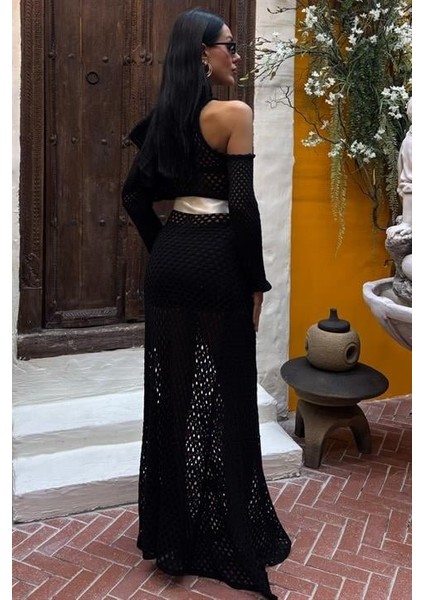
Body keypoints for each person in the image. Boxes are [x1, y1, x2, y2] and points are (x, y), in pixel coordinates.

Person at [122, 8, 291, 600]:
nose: (237, 57)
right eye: (229, 46)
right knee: (227, 395)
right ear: (202, 53)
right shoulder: (233, 114)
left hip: (171, 266)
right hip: (219, 266)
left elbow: (134, 198)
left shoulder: (161, 122)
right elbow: (242, 208)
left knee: (172, 399)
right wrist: (257, 283)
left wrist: (166, 249)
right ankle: (230, 531)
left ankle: (172, 533)